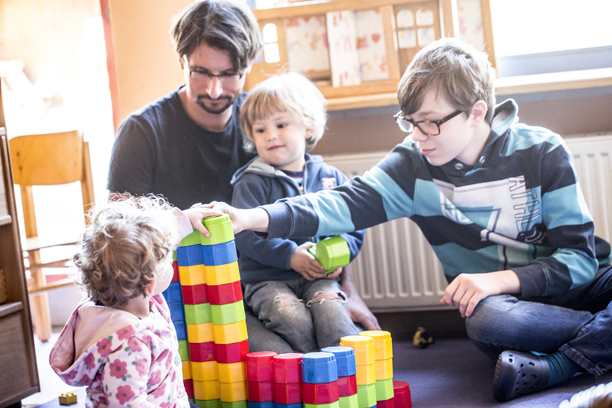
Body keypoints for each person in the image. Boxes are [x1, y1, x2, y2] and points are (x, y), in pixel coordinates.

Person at [207, 37, 612, 401]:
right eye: (410, 122)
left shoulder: (542, 150)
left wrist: (499, 279)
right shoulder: (412, 167)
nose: (418, 135)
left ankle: (561, 363)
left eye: (431, 121)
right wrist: (250, 217)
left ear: (476, 113)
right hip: (510, 311)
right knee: (487, 323)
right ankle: (599, 338)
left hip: (581, 288)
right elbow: (336, 204)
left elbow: (579, 260)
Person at [105, 0, 380, 351]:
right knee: (278, 360)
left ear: (249, 65)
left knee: (332, 336)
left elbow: (319, 208)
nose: (215, 90)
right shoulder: (142, 132)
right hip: (191, 298)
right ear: (181, 62)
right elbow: (117, 234)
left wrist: (348, 293)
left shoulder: (267, 124)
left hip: (278, 285)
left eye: (230, 74)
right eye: (201, 73)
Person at [231, 72, 365, 353]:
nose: (271, 135)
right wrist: (289, 256)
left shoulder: (331, 178)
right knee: (291, 318)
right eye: (260, 130)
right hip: (267, 279)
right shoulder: (251, 180)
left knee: (333, 316)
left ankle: (344, 379)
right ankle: (311, 373)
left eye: (280, 124)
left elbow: (354, 224)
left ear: (307, 126)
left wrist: (340, 255)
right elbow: (244, 236)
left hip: (320, 276)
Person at [49, 196, 224, 407]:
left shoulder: (120, 294)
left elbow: (149, 247)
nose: (171, 262)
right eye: (169, 260)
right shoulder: (130, 343)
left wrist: (186, 218)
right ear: (151, 283)